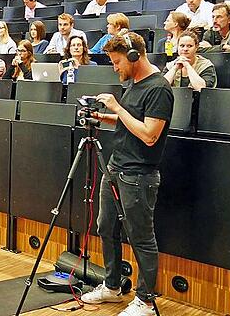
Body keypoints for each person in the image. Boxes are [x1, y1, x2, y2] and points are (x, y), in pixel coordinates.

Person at [80, 32, 173, 316]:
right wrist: (102, 117)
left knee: (141, 237)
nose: (115, 68)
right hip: (116, 168)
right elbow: (127, 120)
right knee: (106, 226)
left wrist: (117, 106)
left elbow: (149, 135)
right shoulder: (135, 83)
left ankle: (145, 300)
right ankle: (112, 285)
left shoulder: (158, 89)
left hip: (138, 175)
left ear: (134, 57)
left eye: (117, 62)